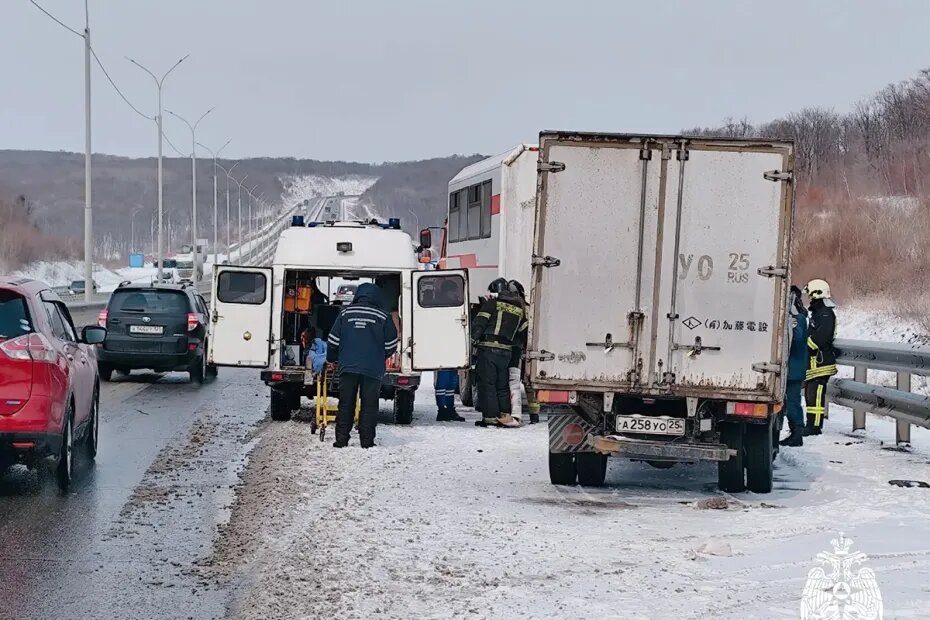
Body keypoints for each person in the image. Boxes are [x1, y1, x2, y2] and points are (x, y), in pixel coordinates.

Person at [326, 283, 398, 448]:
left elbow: (333, 340)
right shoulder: (383, 316)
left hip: (348, 367)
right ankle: (367, 441)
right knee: (369, 405)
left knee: (346, 403)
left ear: (358, 295)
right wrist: (382, 355)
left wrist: (332, 358)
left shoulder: (345, 313)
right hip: (372, 369)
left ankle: (341, 440)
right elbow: (391, 343)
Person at [471, 277, 528, 428]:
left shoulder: (492, 304)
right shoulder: (518, 309)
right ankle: (504, 415)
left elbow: (479, 324)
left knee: (487, 383)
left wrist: (471, 340)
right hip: (507, 352)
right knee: (502, 385)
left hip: (489, 349)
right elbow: (524, 332)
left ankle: (490, 418)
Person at [803, 278, 838, 436]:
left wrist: (806, 346)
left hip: (821, 362)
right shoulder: (819, 312)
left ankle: (814, 426)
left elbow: (821, 337)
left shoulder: (825, 314)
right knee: (811, 395)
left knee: (816, 396)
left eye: (810, 295)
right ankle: (811, 424)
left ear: (817, 294)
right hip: (816, 362)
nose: (809, 298)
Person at [506, 279, 540, 425]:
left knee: (519, 382)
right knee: (525, 383)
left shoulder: (517, 308)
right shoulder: (526, 307)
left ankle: (529, 414)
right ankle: (533, 415)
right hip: (522, 349)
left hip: (519, 349)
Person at [780, 286, 808, 447]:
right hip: (790, 369)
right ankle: (794, 431)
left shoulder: (800, 318)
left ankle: (797, 432)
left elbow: (796, 339)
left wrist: (793, 322)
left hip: (793, 370)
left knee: (792, 402)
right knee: (789, 402)